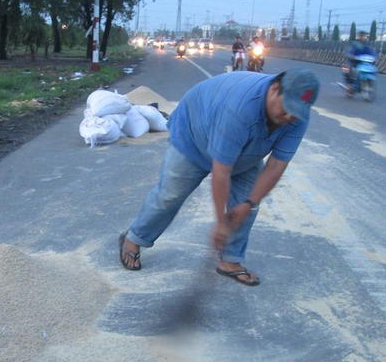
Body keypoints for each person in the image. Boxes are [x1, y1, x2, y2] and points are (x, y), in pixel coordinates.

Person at [118, 68, 320, 286]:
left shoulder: (298, 117)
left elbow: (276, 166)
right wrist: (221, 223)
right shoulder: (239, 109)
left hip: (245, 150)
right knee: (170, 194)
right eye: (287, 108)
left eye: (296, 113)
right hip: (194, 133)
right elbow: (221, 170)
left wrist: (249, 202)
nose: (290, 117)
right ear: (274, 89)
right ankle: (134, 238)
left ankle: (230, 260)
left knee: (246, 207)